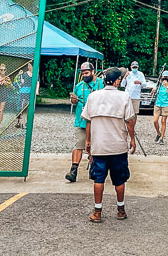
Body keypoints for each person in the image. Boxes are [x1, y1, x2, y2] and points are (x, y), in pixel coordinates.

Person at [82, 67, 137, 222]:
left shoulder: (93, 96)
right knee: (119, 180)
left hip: (99, 146)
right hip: (118, 146)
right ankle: (120, 210)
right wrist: (132, 139)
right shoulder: (124, 97)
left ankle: (97, 212)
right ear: (117, 81)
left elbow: (88, 121)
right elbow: (130, 122)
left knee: (98, 179)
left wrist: (88, 141)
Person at [66, 62, 104, 183]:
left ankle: (93, 168)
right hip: (81, 121)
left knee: (94, 146)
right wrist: (73, 100)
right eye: (82, 73)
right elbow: (74, 103)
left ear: (93, 72)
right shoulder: (79, 86)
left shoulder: (101, 84)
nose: (84, 75)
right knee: (79, 145)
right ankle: (73, 170)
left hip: (97, 122)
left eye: (86, 73)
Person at [151, 71, 168, 143]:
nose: (165, 79)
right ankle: (158, 133)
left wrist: (167, 86)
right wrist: (153, 91)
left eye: (166, 77)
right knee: (155, 120)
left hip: (166, 104)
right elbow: (152, 94)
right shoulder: (158, 85)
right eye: (164, 77)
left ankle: (162, 138)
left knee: (163, 121)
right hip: (158, 104)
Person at [14, 62, 34, 129]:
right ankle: (19, 122)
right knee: (20, 107)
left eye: (29, 65)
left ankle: (25, 123)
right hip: (22, 92)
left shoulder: (35, 74)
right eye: (28, 66)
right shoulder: (24, 74)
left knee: (28, 109)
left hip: (30, 93)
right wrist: (19, 75)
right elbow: (17, 82)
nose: (28, 67)